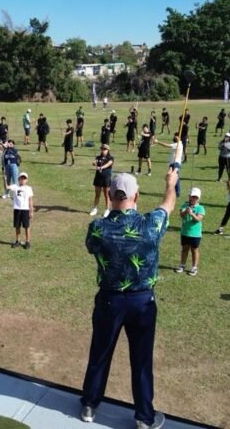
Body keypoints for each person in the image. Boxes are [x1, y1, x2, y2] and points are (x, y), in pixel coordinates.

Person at [80, 162, 179, 429]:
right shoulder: (150, 224)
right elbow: (168, 204)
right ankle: (144, 418)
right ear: (136, 197)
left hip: (109, 301)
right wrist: (171, 183)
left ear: (110, 195)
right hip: (142, 303)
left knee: (100, 353)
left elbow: (92, 248)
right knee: (141, 360)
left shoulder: (97, 228)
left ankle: (89, 405)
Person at [176, 187, 204, 276]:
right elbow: (181, 215)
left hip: (195, 234)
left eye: (196, 197)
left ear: (198, 198)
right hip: (185, 232)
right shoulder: (184, 205)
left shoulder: (200, 208)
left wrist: (192, 214)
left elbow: (198, 219)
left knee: (194, 250)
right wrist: (186, 212)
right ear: (189, 196)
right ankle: (182, 265)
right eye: (192, 197)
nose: (193, 199)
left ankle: (194, 267)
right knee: (184, 249)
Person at [7, 172, 34, 249]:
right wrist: (4, 179)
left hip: (25, 210)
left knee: (26, 226)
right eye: (21, 178)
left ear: (27, 180)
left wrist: (31, 211)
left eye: (24, 178)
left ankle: (27, 241)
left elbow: (30, 200)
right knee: (17, 226)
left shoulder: (29, 188)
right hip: (17, 209)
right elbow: (6, 186)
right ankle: (17, 241)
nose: (22, 180)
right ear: (18, 179)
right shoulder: (15, 187)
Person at [90, 144, 114, 217]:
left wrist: (101, 167)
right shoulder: (98, 157)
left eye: (105, 149)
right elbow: (94, 162)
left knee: (106, 195)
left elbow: (109, 164)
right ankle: (95, 208)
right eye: (102, 149)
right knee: (97, 194)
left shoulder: (110, 158)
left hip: (106, 178)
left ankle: (107, 209)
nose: (103, 151)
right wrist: (94, 163)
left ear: (108, 150)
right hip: (98, 178)